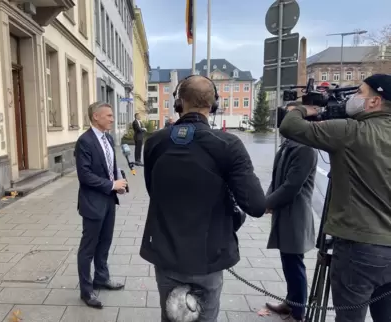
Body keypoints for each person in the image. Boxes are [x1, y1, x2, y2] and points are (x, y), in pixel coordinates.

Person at [140, 75, 266, 322]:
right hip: (209, 255)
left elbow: (153, 190)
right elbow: (256, 205)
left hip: (166, 251)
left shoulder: (155, 142)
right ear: (214, 104)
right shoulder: (228, 145)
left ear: (179, 103)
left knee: (171, 317)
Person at [279, 74, 391, 322]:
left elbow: (290, 126)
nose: (354, 98)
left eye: (360, 92)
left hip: (358, 246)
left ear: (374, 102)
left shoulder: (351, 131)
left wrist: (302, 108)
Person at [264, 102, 318, 322]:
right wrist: (267, 199)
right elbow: (276, 179)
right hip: (284, 212)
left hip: (295, 216)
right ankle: (290, 302)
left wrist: (268, 203)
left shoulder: (304, 148)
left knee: (295, 264)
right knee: (288, 261)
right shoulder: (289, 144)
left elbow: (291, 186)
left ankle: (298, 313)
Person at [75, 101, 127, 309]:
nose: (112, 119)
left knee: (105, 242)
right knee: (88, 248)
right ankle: (86, 291)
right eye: (109, 115)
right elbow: (84, 175)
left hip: (108, 199)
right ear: (96, 117)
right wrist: (111, 184)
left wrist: (120, 182)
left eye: (112, 115)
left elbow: (112, 166)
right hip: (92, 202)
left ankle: (101, 278)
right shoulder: (84, 142)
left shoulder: (108, 138)